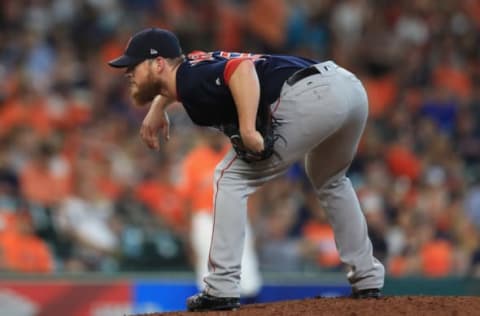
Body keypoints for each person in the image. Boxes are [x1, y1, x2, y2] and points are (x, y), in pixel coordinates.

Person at [108, 27, 385, 311]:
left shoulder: (190, 78)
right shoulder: (189, 68)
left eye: (134, 65)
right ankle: (367, 278)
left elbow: (240, 70)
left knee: (229, 178)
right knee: (331, 181)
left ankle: (221, 288)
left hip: (309, 96)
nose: (128, 72)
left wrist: (248, 127)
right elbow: (188, 77)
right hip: (348, 89)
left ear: (158, 64)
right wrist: (157, 109)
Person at [178, 129, 262, 301]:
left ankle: (251, 302)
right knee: (207, 264)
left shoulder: (236, 155)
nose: (213, 136)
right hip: (206, 219)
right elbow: (186, 200)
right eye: (209, 133)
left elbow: (253, 189)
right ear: (203, 136)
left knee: (245, 262)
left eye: (216, 133)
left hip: (236, 215)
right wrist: (188, 232)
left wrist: (253, 220)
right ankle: (210, 301)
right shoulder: (193, 159)